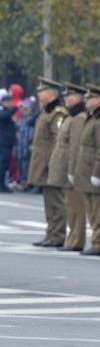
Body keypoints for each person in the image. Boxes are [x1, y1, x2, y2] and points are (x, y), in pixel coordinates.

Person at [45, 84, 88, 249]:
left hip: (72, 168)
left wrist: (72, 170)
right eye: (66, 95)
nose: (66, 98)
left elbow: (75, 146)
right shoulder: (71, 116)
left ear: (79, 98)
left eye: (71, 96)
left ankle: (76, 240)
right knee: (70, 205)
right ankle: (72, 238)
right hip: (64, 166)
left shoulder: (78, 118)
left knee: (76, 206)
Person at [28, 78, 68, 246]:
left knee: (56, 201)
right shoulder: (46, 111)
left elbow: (58, 141)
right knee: (48, 201)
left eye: (42, 91)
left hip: (50, 162)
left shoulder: (57, 113)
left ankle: (58, 235)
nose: (39, 94)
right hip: (42, 162)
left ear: (51, 94)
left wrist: (53, 162)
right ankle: (51, 233)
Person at [77, 84, 100, 255]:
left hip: (94, 170)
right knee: (92, 210)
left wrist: (97, 174)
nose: (87, 100)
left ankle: (98, 242)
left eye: (91, 98)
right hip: (87, 170)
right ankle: (96, 240)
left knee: (97, 210)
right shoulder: (92, 118)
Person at [0, 94, 18, 192]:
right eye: (9, 101)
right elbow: (5, 115)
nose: (10, 103)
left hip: (8, 141)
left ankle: (2, 184)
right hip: (4, 141)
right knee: (2, 163)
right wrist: (16, 107)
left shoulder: (5, 111)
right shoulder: (0, 110)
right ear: (4, 102)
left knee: (5, 164)